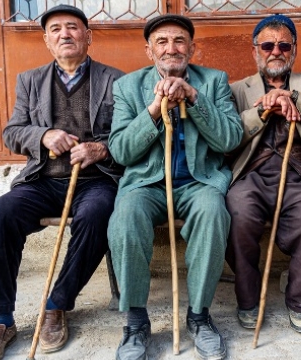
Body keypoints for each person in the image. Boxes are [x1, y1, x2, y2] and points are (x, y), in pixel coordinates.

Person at [0, 5, 125, 360]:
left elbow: (130, 135)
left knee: (99, 214)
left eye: (73, 27)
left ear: (88, 36)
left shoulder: (116, 79)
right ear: (47, 40)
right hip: (43, 180)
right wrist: (43, 135)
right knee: (1, 215)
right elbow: (12, 133)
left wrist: (101, 148)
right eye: (55, 30)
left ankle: (57, 304)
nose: (64, 34)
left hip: (95, 180)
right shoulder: (30, 80)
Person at [106, 14, 243, 360]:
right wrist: (153, 110)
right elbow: (121, 150)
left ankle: (199, 317)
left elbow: (230, 139)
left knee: (213, 213)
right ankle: (135, 322)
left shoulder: (214, 81)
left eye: (179, 41)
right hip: (147, 184)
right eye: (162, 42)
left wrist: (195, 99)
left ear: (192, 48)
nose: (171, 48)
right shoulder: (128, 87)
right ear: (149, 50)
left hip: (199, 182)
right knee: (124, 219)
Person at [225, 14, 301, 333]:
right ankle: (249, 298)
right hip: (251, 176)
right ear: (256, 51)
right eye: (267, 45)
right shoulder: (237, 90)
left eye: (283, 45)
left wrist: (296, 99)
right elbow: (223, 139)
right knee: (237, 213)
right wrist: (261, 111)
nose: (275, 51)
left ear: (293, 50)